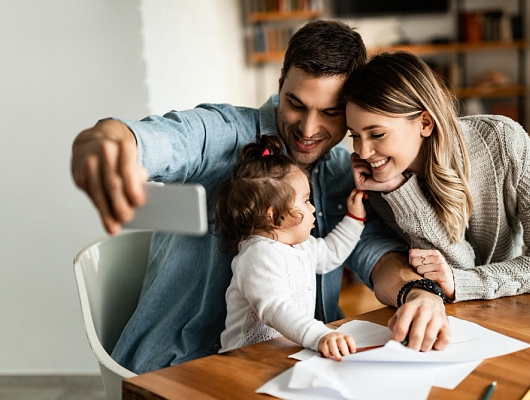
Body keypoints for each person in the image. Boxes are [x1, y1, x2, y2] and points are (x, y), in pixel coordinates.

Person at [70, 21, 450, 374]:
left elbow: (371, 250)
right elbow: (159, 139)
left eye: (331, 113)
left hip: (300, 364)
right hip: (184, 364)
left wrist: (417, 292)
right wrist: (107, 142)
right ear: (281, 81)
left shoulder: (342, 168)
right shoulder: (225, 133)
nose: (308, 129)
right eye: (296, 104)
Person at [341, 51, 530, 304]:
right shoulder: (380, 184)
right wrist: (401, 192)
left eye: (377, 134)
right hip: (455, 320)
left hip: (518, 306)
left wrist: (462, 283)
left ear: (424, 123)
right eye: (354, 135)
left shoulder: (503, 141)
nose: (363, 152)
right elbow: (449, 274)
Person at [215, 135, 366, 360]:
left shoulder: (300, 246)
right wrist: (319, 335)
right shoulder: (258, 255)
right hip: (245, 359)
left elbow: (330, 254)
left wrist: (354, 218)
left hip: (283, 352)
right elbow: (275, 307)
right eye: (305, 201)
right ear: (274, 214)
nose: (313, 208)